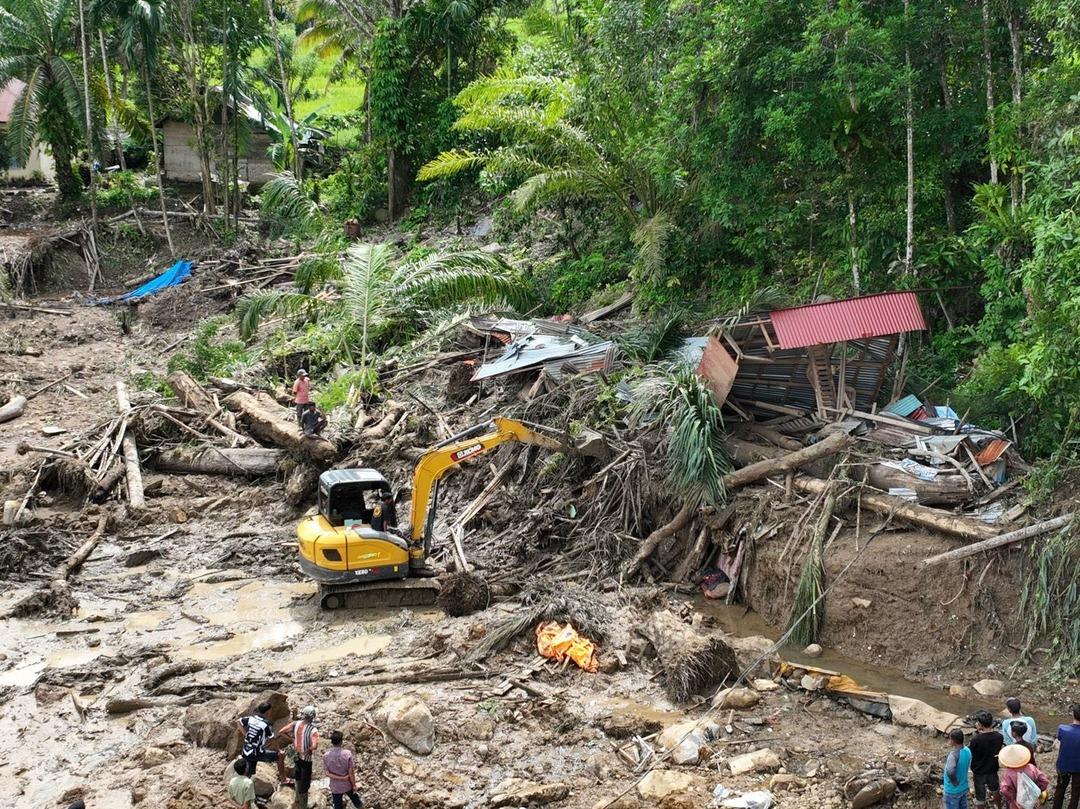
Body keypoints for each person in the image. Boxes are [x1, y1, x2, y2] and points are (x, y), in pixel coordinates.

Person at [277, 706, 320, 809]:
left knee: (298, 775)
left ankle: (297, 798)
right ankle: (303, 805)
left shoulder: (295, 724)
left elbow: (281, 731)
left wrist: (292, 739)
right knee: (305, 782)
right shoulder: (313, 730)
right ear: (313, 717)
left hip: (296, 756)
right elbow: (315, 746)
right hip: (306, 759)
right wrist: (308, 750)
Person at [238, 702, 289, 785]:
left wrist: (245, 733)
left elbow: (239, 721)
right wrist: (279, 750)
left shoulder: (251, 718)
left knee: (248, 774)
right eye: (270, 711)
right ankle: (283, 779)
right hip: (257, 753)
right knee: (279, 756)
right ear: (268, 712)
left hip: (246, 751)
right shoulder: (265, 724)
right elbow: (273, 739)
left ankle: (242, 787)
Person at [970, 710, 1005, 809]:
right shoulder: (999, 737)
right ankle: (999, 806)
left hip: (979, 772)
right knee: (995, 790)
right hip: (992, 769)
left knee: (980, 796)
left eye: (978, 722)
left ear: (980, 725)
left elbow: (972, 754)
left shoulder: (976, 739)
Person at [1000, 744, 1050, 809]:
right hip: (1032, 801)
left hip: (1017, 805)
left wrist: (1012, 799)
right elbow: (1044, 781)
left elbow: (1004, 790)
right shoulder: (1031, 767)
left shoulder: (1008, 773)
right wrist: (1037, 790)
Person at [323, 730, 363, 809]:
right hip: (347, 784)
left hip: (335, 787)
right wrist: (354, 785)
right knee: (357, 802)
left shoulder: (326, 756)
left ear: (332, 742)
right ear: (341, 741)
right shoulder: (347, 754)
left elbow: (327, 773)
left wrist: (341, 778)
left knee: (337, 805)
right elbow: (351, 773)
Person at [1054, 704, 1080, 809]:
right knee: (1076, 792)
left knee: (1060, 789)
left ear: (1073, 714)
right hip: (1078, 767)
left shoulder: (1062, 728)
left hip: (1063, 765)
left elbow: (1059, 738)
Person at [945, 727, 973, 809]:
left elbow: (950, 771)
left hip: (953, 790)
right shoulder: (967, 750)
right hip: (963, 787)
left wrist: (954, 781)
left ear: (953, 741)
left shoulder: (953, 755)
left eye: (950, 739)